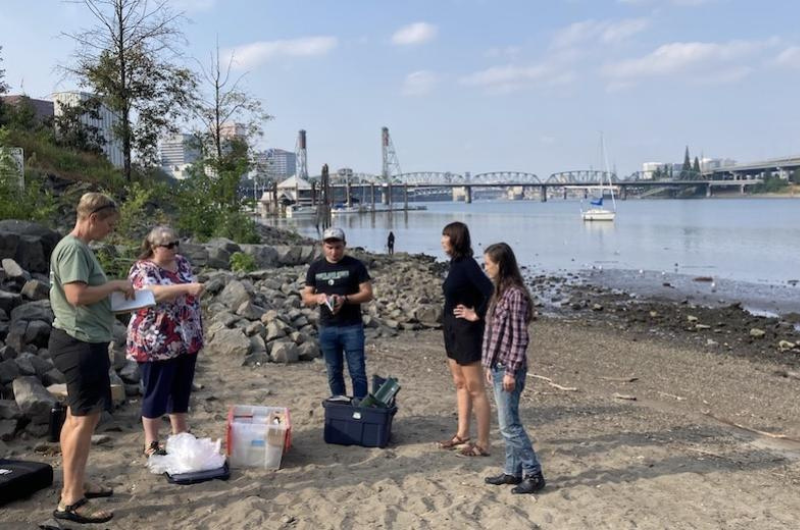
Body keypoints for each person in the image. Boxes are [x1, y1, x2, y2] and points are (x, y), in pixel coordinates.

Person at [48, 192, 134, 524]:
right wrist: (114, 285)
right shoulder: (72, 248)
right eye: (109, 224)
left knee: (79, 418)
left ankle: (75, 483)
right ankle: (70, 501)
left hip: (80, 341)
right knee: (83, 421)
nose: (110, 231)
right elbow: (77, 295)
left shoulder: (79, 249)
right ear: (93, 218)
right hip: (78, 343)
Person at [126, 226, 205, 457]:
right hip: (156, 341)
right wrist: (187, 288)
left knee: (181, 388)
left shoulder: (181, 262)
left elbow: (190, 282)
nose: (174, 248)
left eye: (176, 243)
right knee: (157, 390)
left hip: (186, 336)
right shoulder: (142, 268)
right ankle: (151, 442)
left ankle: (180, 433)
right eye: (168, 245)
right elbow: (152, 293)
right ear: (153, 247)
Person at [481, 242, 546, 494]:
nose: (485, 268)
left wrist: (509, 370)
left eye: (488, 263)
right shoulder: (501, 292)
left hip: (509, 369)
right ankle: (512, 471)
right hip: (498, 366)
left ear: (500, 265)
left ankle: (534, 473)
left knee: (509, 425)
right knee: (508, 422)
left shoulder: (515, 295)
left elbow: (519, 338)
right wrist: (490, 364)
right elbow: (497, 334)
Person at [438, 221, 494, 457]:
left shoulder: (468, 264)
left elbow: (489, 289)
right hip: (451, 328)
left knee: (475, 388)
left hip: (467, 330)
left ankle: (483, 443)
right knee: (459, 383)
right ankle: (462, 433)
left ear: (456, 239)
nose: (442, 240)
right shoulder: (455, 264)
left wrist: (476, 313)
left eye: (446, 236)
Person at [302, 227, 373, 398]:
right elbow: (306, 297)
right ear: (323, 246)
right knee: (334, 371)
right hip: (327, 327)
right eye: (330, 247)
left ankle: (359, 409)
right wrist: (318, 298)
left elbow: (368, 294)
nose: (334, 252)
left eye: (338, 247)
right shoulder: (316, 267)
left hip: (352, 327)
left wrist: (345, 299)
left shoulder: (355, 265)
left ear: (344, 245)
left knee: (357, 371)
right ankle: (340, 405)